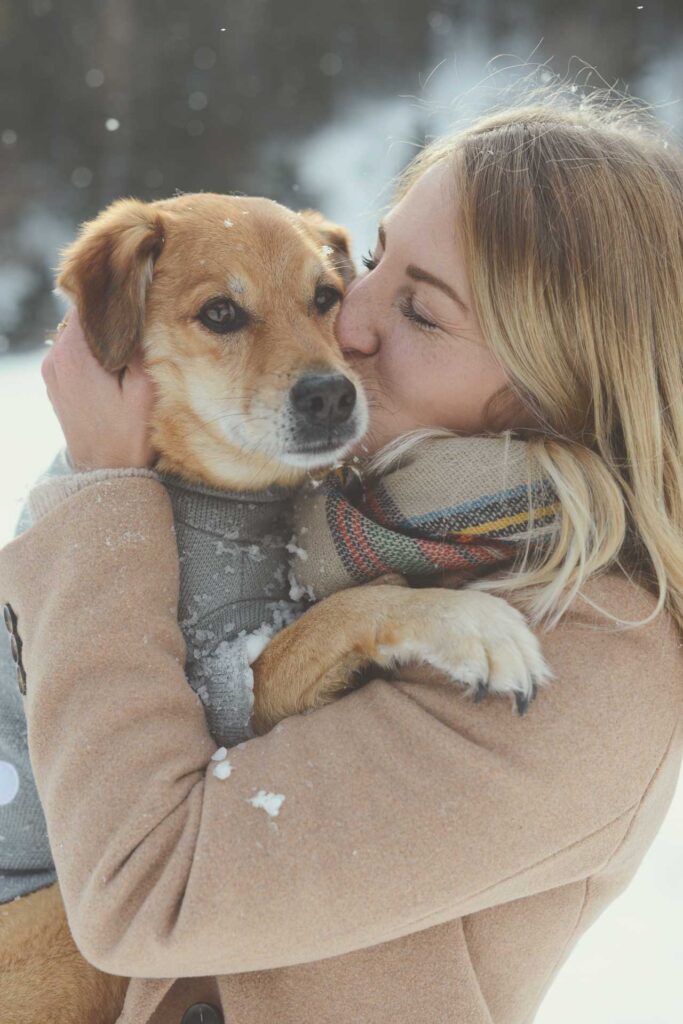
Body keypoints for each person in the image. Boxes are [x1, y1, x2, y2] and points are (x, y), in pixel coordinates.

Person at [1, 96, 682, 1024]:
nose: (346, 326)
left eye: (420, 310)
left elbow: (146, 891)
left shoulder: (591, 663)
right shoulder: (355, 516)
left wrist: (99, 499)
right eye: (367, 263)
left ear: (552, 379)